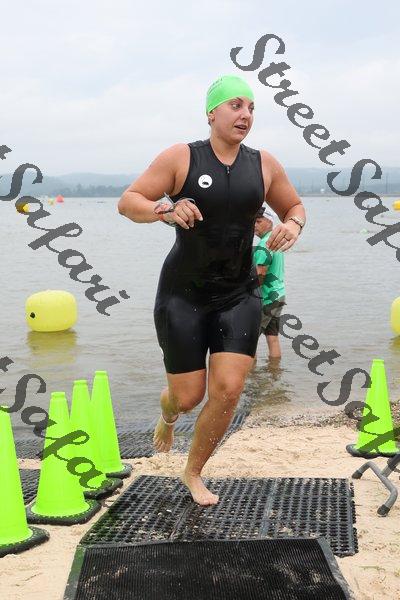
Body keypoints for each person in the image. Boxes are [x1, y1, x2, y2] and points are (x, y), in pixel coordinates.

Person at [118, 74, 306, 506]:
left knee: (229, 389)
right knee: (188, 397)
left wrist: (293, 225)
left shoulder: (264, 164)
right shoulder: (182, 157)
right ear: (211, 113)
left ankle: (194, 471)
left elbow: (294, 206)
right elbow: (129, 201)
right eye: (235, 105)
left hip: (240, 293)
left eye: (251, 108)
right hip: (183, 293)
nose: (245, 115)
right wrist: (165, 209)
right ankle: (168, 412)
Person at [253, 205, 286, 361]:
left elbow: (261, 273)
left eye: (258, 221)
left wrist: (250, 295)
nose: (255, 225)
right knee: (272, 337)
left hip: (265, 298)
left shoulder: (264, 244)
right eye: (253, 221)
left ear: (269, 221)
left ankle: (249, 372)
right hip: (278, 295)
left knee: (249, 339)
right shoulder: (275, 241)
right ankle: (274, 370)